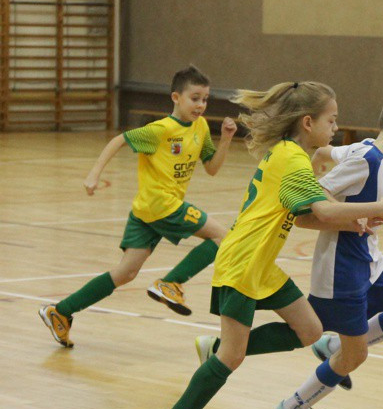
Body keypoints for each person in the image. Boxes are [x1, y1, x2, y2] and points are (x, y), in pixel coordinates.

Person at [150, 81, 383, 409]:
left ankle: (216, 350)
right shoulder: (292, 159)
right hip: (242, 263)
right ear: (308, 122)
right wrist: (378, 207)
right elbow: (325, 211)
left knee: (310, 330)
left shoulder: (288, 153)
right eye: (331, 120)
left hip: (261, 265)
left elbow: (311, 212)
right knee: (232, 357)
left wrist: (354, 222)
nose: (336, 127)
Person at [267, 88, 383, 409]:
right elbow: (316, 194)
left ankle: (332, 346)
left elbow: (331, 152)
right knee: (355, 356)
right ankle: (294, 407)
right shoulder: (367, 160)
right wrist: (363, 212)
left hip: (370, 259)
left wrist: (319, 154)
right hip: (342, 269)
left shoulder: (369, 149)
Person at [38, 66, 236, 348]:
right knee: (223, 237)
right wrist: (94, 173)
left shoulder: (201, 127)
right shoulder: (160, 130)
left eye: (205, 99)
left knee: (125, 273)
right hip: (162, 205)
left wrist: (226, 139)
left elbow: (212, 168)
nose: (201, 105)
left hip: (145, 211)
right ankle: (171, 283)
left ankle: (61, 311)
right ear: (176, 97)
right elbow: (118, 140)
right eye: (195, 98)